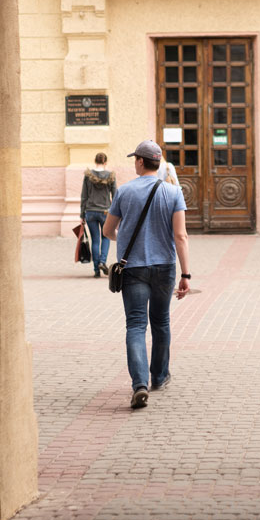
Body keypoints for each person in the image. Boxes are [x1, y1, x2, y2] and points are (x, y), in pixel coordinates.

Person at [103, 140, 191, 409]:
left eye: (135, 159)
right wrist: (185, 274)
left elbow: (108, 231)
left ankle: (139, 385)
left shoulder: (124, 191)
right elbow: (180, 236)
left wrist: (126, 239)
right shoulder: (173, 192)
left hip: (134, 267)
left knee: (136, 325)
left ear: (141, 162)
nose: (134, 163)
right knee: (161, 322)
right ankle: (160, 376)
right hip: (165, 266)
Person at [79, 152, 117, 277]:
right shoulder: (111, 176)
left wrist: (82, 214)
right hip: (106, 211)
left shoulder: (88, 176)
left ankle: (96, 270)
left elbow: (84, 195)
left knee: (95, 239)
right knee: (106, 237)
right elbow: (115, 195)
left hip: (90, 211)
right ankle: (102, 261)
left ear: (95, 161)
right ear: (105, 162)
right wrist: (117, 213)